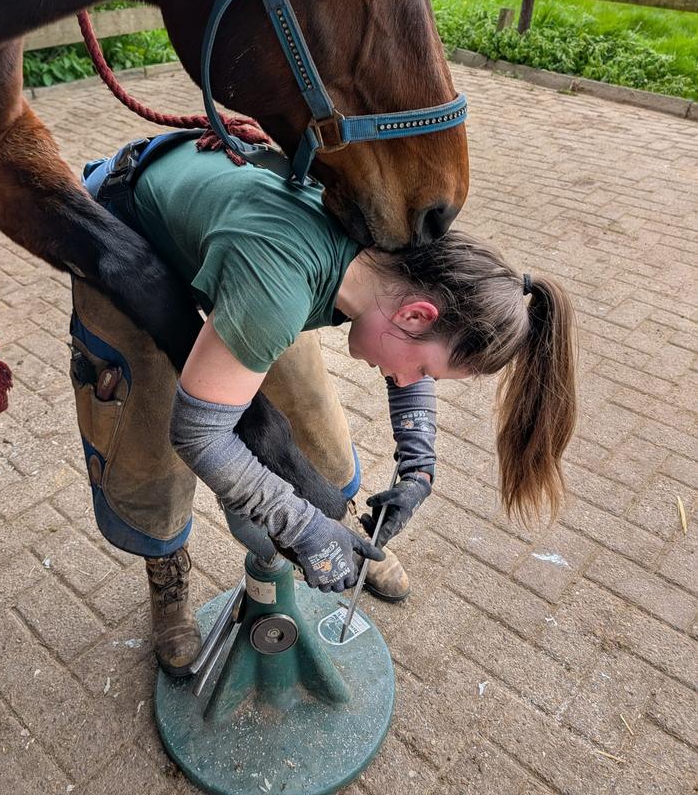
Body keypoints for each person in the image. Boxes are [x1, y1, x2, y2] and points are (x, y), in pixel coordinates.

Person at [70, 134, 577, 676]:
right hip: (125, 236)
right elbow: (199, 435)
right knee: (149, 436)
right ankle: (166, 569)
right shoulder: (282, 285)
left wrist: (418, 466)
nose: (408, 379)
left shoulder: (406, 256)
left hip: (244, 255)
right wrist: (304, 531)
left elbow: (411, 352)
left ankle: (347, 528)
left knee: (309, 413)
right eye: (424, 370)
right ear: (415, 317)